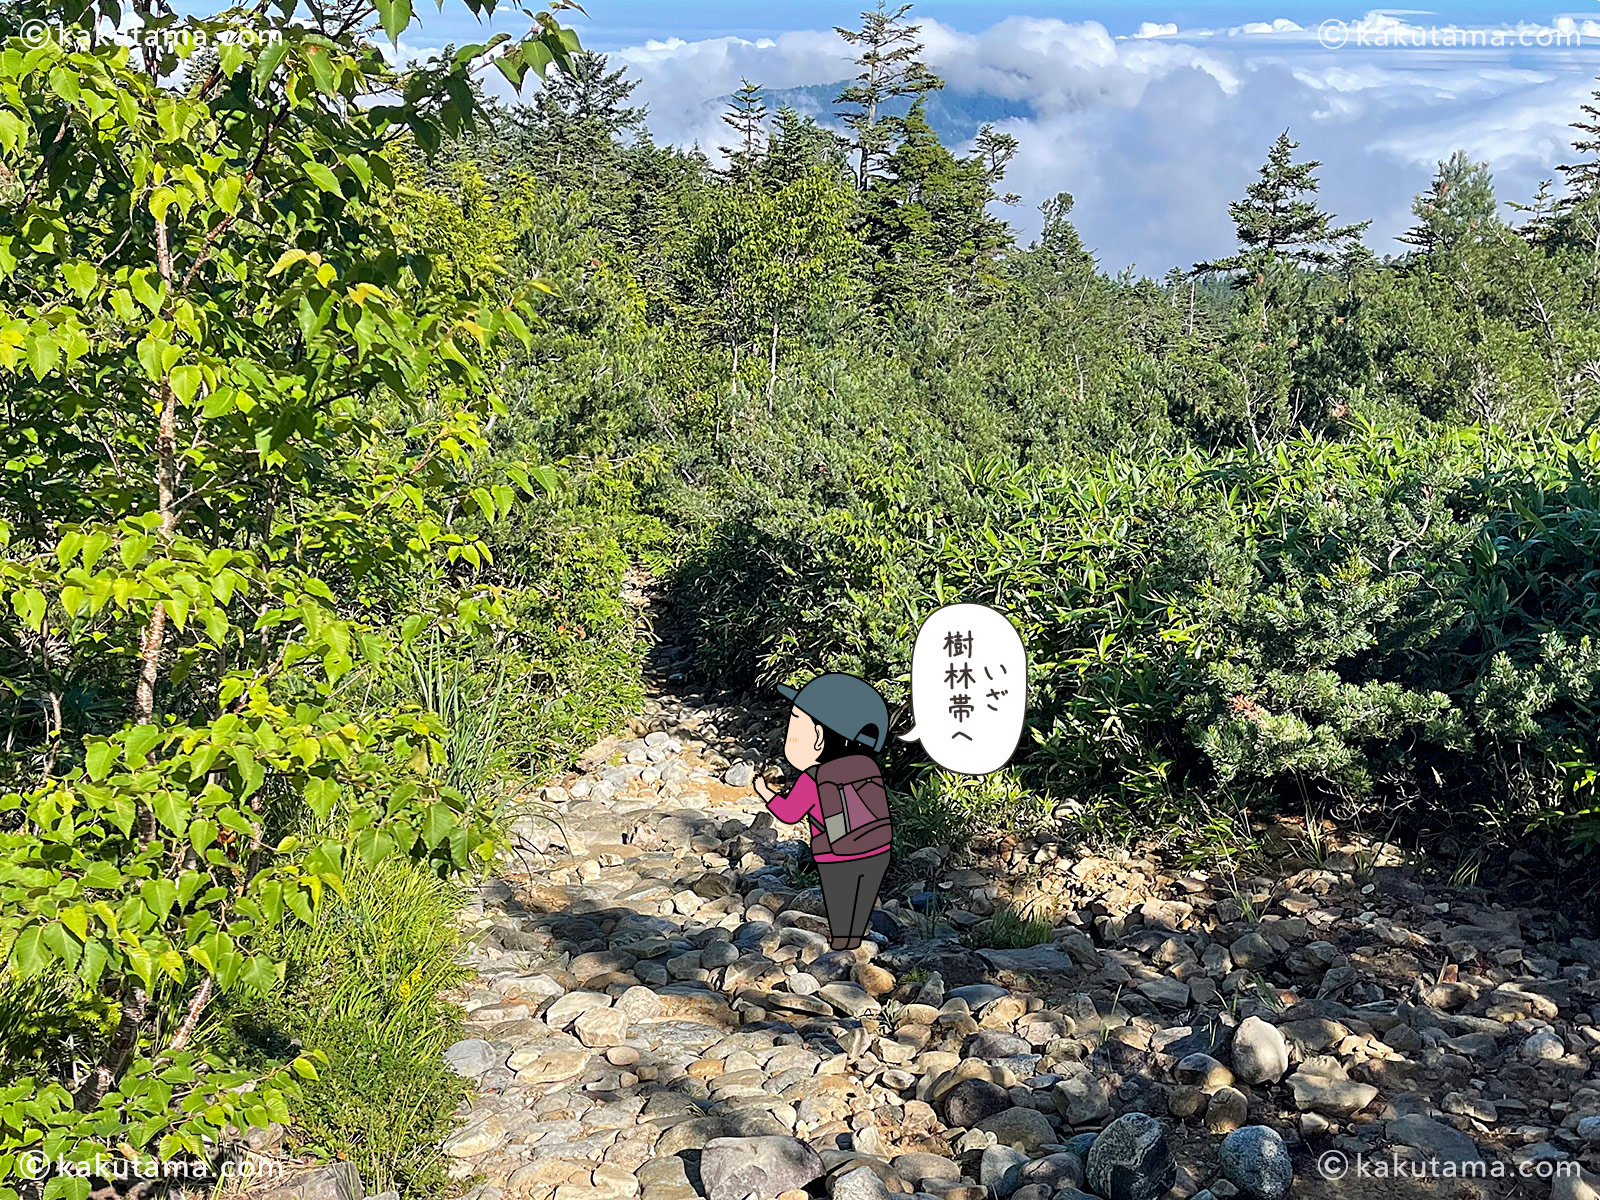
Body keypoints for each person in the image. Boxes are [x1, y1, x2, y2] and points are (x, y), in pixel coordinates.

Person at [752, 673, 893, 951]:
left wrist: (766, 792)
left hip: (835, 853)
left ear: (818, 737)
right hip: (877, 848)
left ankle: (843, 944)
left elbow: (790, 813)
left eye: (795, 724)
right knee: (862, 898)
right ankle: (858, 941)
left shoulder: (813, 778)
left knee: (840, 901)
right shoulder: (867, 767)